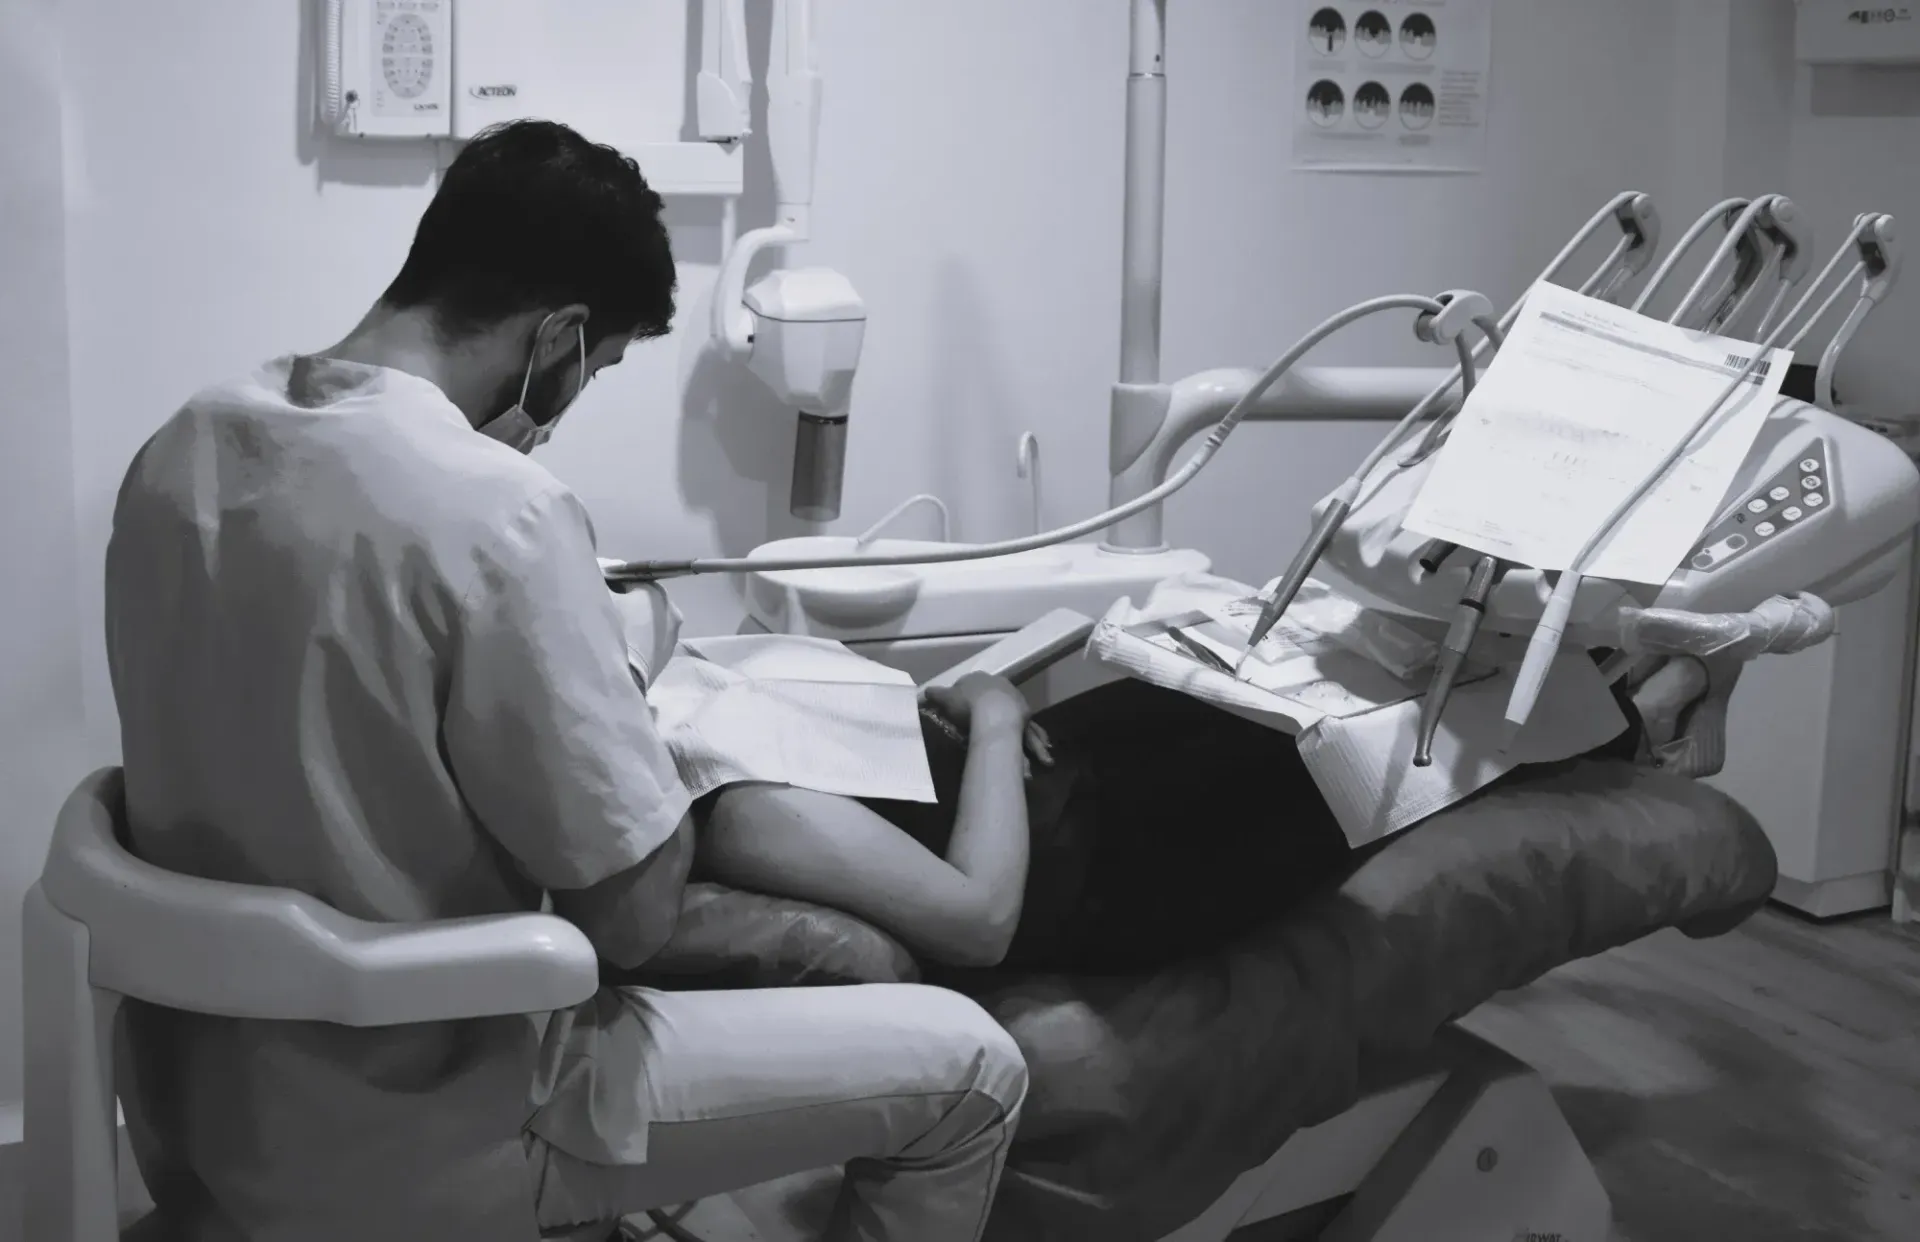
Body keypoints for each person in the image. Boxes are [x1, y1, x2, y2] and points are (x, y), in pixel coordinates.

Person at [103, 118, 1026, 1242]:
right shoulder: (497, 510)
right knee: (975, 1071)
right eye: (597, 370)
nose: (563, 411)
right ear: (561, 338)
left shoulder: (180, 451)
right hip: (423, 1128)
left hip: (194, 1100)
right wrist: (622, 669)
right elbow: (632, 919)